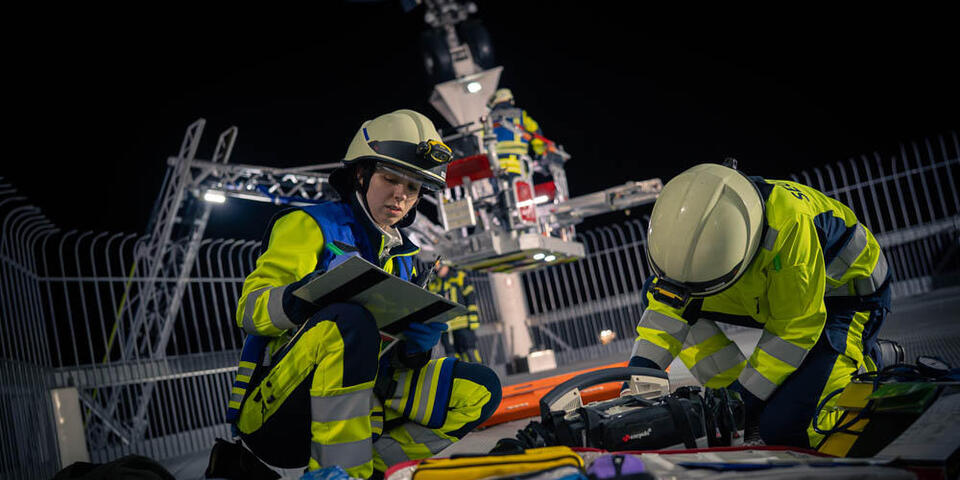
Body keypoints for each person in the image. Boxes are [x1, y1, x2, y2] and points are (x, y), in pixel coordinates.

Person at [226, 109, 502, 479]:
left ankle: (372, 471)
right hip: (278, 412)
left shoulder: (406, 257)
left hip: (367, 400)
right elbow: (249, 311)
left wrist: (415, 349)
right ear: (361, 173)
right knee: (348, 321)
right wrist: (304, 297)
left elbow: (395, 354)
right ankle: (343, 474)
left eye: (413, 188)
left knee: (478, 389)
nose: (400, 196)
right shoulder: (308, 225)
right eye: (390, 179)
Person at [630, 162, 891, 449]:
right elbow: (667, 310)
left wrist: (747, 398)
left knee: (793, 430)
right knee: (663, 294)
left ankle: (868, 359)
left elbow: (793, 329)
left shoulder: (791, 225)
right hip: (773, 293)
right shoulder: (687, 230)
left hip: (845, 299)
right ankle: (729, 390)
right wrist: (636, 386)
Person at [427, 262, 482, 363]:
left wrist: (473, 319)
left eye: (439, 267)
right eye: (435, 268)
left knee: (470, 354)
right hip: (446, 329)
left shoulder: (459, 277)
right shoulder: (434, 284)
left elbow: (470, 298)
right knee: (452, 358)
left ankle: (479, 376)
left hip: (463, 325)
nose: (437, 270)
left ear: (446, 265)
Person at [486, 88, 546, 178]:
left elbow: (484, 141)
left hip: (496, 167)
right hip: (519, 165)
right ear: (510, 100)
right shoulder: (520, 114)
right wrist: (540, 153)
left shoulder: (489, 119)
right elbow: (536, 134)